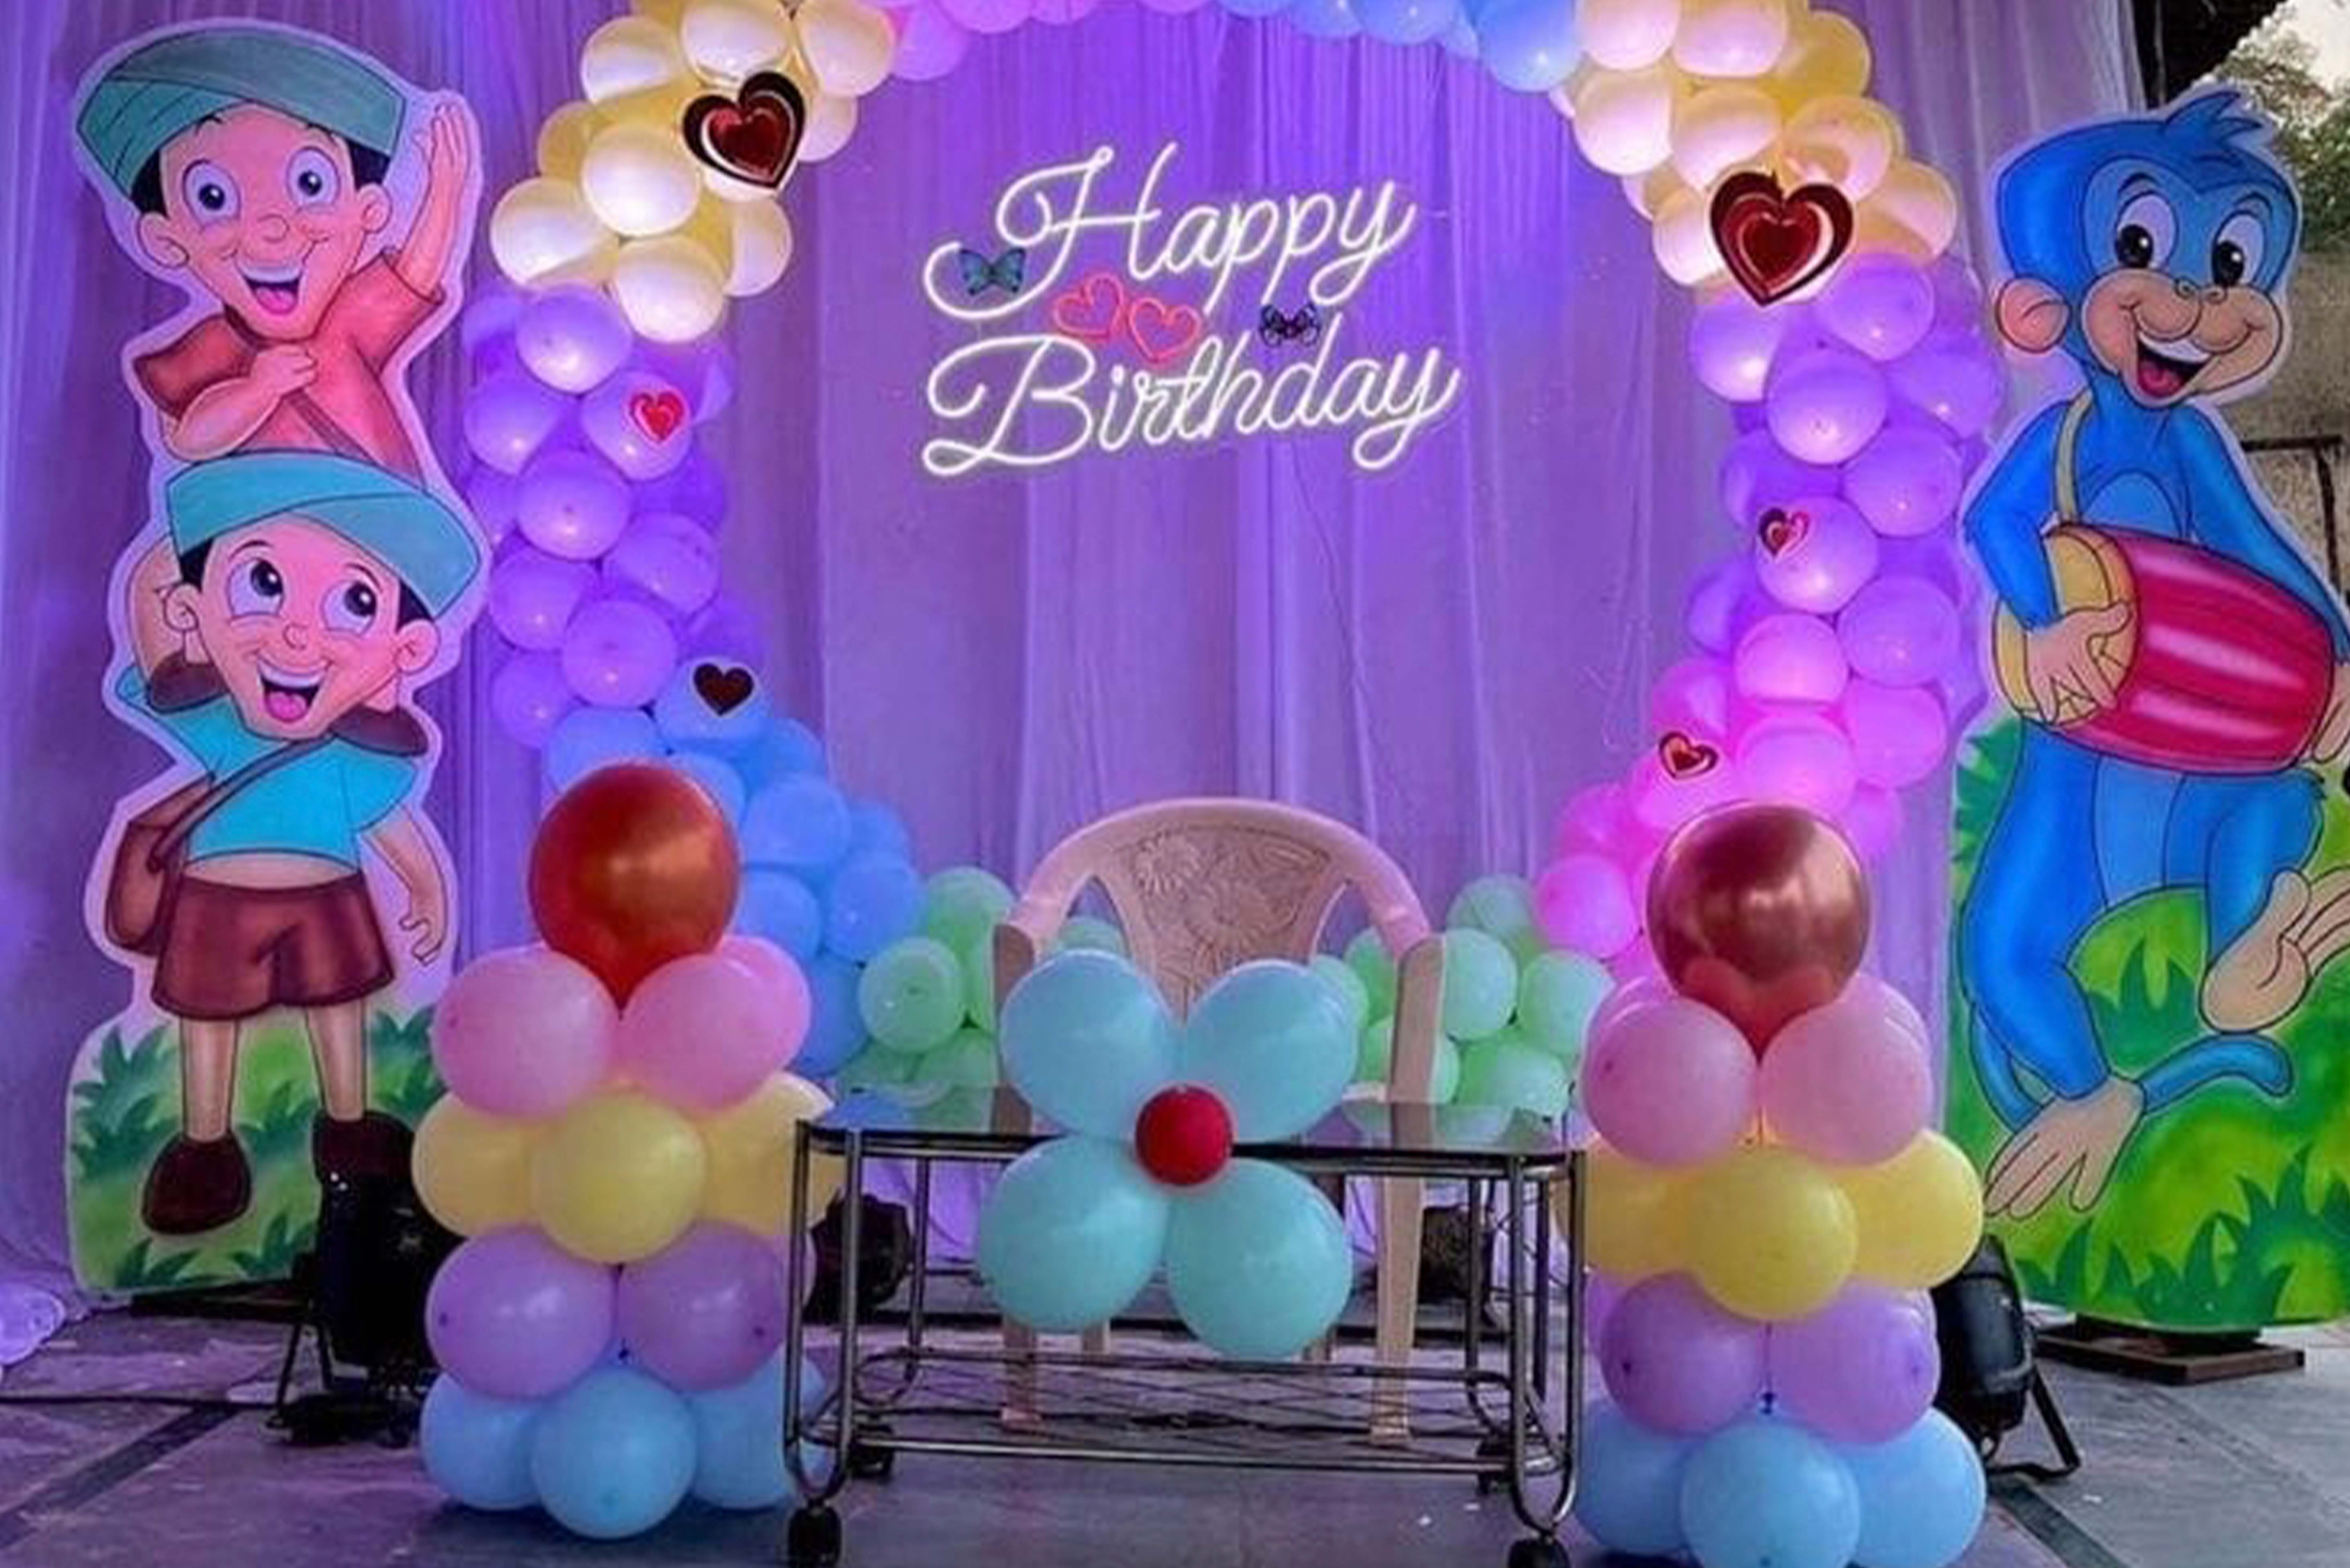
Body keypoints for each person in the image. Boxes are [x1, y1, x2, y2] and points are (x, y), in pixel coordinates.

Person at [109, 451, 479, 1235]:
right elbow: (149, 634)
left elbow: (389, 822)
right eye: (262, 583)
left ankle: (349, 1122)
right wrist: (172, 547)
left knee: (338, 1005)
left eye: (354, 602)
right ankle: (205, 1143)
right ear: (195, 611)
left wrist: (426, 886)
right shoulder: (219, 722)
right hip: (216, 896)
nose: (298, 634)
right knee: (208, 1018)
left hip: (328, 894)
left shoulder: (354, 757)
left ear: (405, 649)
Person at [76, 25, 474, 479]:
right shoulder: (211, 346)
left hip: (382, 515)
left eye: (311, 184)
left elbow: (413, 276)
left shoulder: (346, 325)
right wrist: (255, 391)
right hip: (262, 519)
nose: (272, 228)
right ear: (166, 239)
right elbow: (186, 438)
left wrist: (446, 191)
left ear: (368, 210)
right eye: (213, 197)